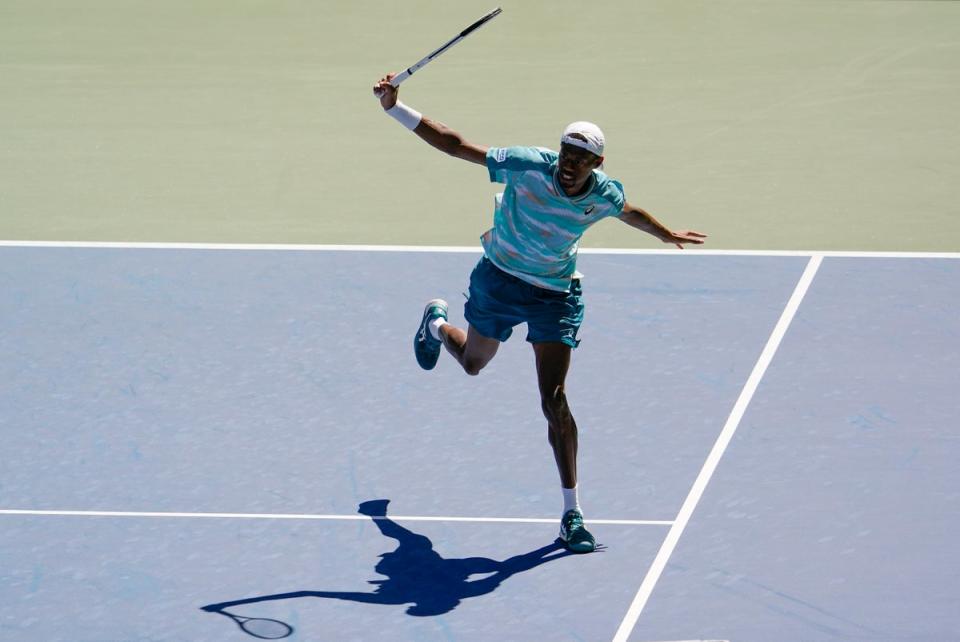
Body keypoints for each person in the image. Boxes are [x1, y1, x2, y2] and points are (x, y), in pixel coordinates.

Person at [373, 72, 706, 553]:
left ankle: (572, 513)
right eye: (567, 155)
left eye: (581, 160)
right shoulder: (528, 165)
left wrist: (665, 232)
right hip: (500, 280)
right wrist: (395, 108)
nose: (570, 166)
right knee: (472, 364)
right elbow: (456, 145)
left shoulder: (602, 194)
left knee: (555, 400)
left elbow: (628, 211)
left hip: (555, 294)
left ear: (598, 163)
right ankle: (436, 323)